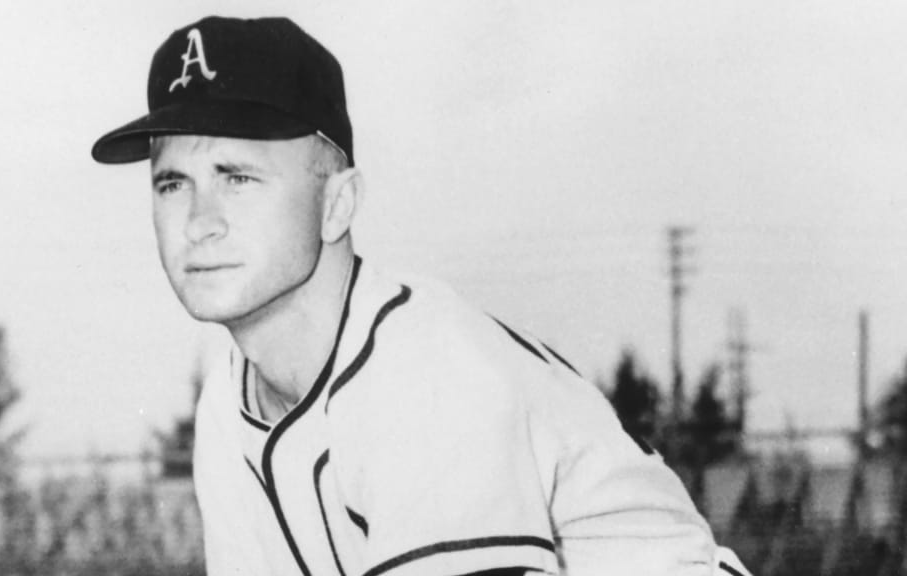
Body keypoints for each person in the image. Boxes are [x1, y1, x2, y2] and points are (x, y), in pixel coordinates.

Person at [92, 15, 751, 576]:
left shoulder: (422, 368)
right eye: (172, 184)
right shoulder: (227, 404)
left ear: (337, 204)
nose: (199, 221)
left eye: (236, 177)